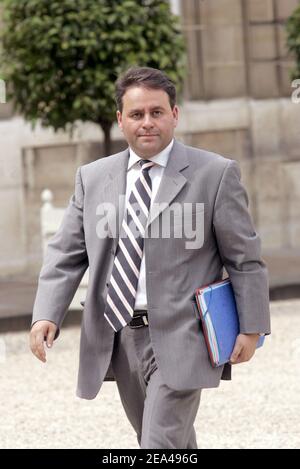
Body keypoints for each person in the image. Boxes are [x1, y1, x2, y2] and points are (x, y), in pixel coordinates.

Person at [30, 66, 271, 449]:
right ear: (120, 119)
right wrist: (47, 313)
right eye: (137, 114)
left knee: (158, 445)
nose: (147, 123)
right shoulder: (92, 178)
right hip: (119, 335)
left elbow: (245, 258)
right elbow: (66, 253)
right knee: (161, 440)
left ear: (174, 115)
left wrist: (252, 325)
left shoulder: (215, 174)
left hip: (186, 334)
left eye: (157, 112)